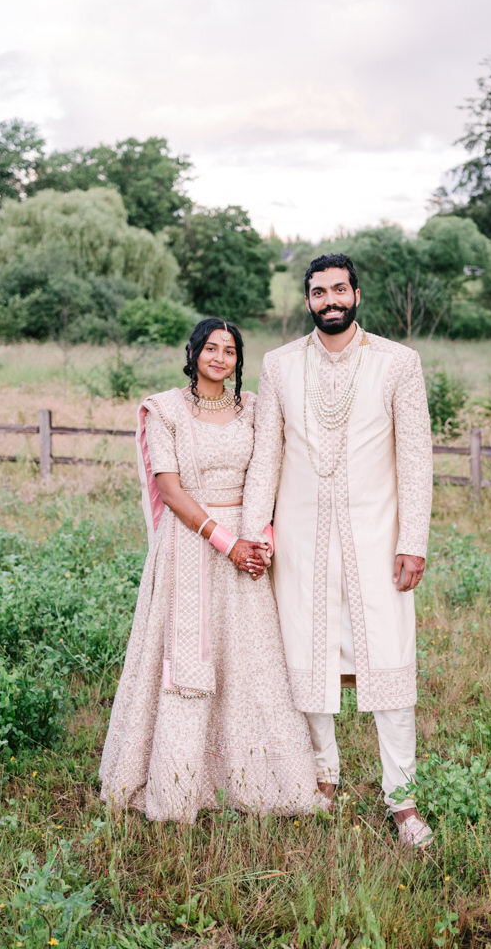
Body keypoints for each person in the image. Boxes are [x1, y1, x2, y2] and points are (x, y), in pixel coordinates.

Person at [241, 253, 435, 848]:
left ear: (356, 295)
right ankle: (322, 778)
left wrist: (413, 541)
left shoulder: (398, 363)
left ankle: (401, 800)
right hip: (300, 541)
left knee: (389, 662)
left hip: (377, 539)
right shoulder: (278, 366)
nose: (330, 300)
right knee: (308, 658)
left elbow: (417, 457)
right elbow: (267, 455)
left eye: (339, 289)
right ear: (307, 301)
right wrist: (252, 533)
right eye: (319, 291)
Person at [99, 318, 317, 822]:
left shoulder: (256, 408)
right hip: (192, 543)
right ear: (194, 351)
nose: (220, 357)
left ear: (239, 360)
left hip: (249, 541)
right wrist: (227, 542)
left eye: (231, 350)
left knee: (251, 658)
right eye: (211, 347)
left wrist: (260, 541)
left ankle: (258, 783)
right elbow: (171, 490)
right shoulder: (166, 409)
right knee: (187, 659)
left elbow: (273, 472)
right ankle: (179, 784)